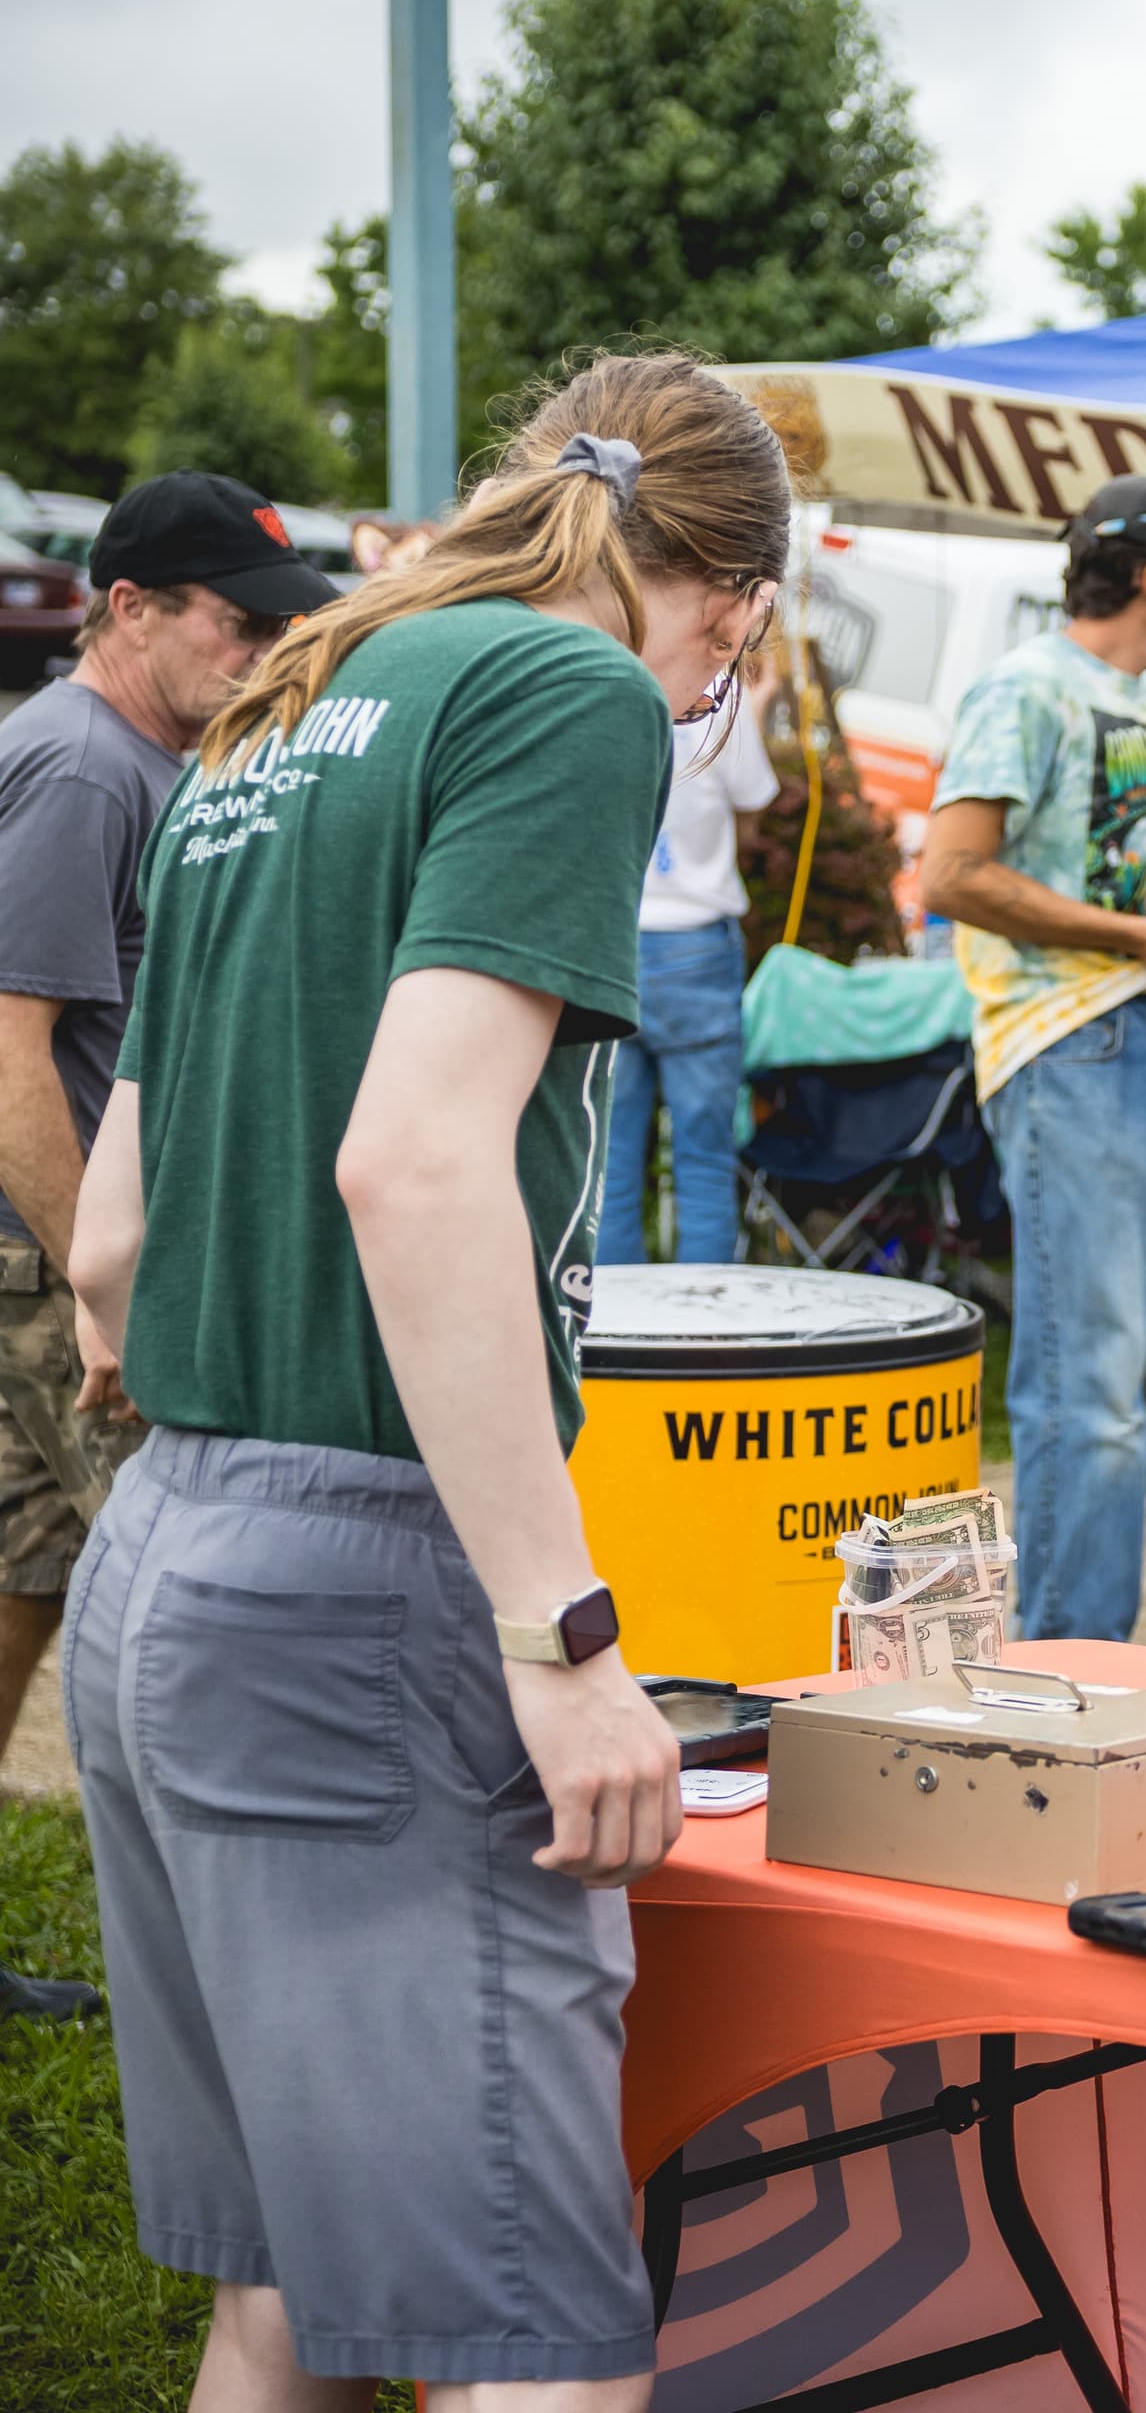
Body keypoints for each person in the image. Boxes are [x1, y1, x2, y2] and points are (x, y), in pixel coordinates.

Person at [66, 355, 789, 2403]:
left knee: (281, 2301)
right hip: (355, 1598)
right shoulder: (569, 699)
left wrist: (172, 1344)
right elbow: (411, 1157)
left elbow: (111, 1235)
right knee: (535, 2349)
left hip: (172, 1551)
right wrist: (561, 1637)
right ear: (726, 593)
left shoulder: (295, 693)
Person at [0, 475, 329, 2019]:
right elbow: (11, 1052)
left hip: (47, 1255)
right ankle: (231, 1984)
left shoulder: (138, 759)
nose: (266, 651)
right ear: (126, 606)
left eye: (285, 624)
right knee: (199, 1603)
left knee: (30, 1587)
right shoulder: (82, 766)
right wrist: (103, 1291)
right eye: (239, 620)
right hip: (49, 1259)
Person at [919, 475, 1146, 1646]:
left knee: (1142, 1371)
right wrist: (1142, 938)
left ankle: (1083, 1647)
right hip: (1070, 1044)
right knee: (1090, 1382)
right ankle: (1066, 1661)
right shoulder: (1024, 687)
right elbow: (950, 875)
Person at [597, 637, 781, 1264]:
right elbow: (754, 804)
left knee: (610, 1161)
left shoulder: (599, 680)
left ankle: (613, 1336)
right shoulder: (719, 691)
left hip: (613, 938)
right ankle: (704, 1342)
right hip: (697, 946)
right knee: (703, 1156)